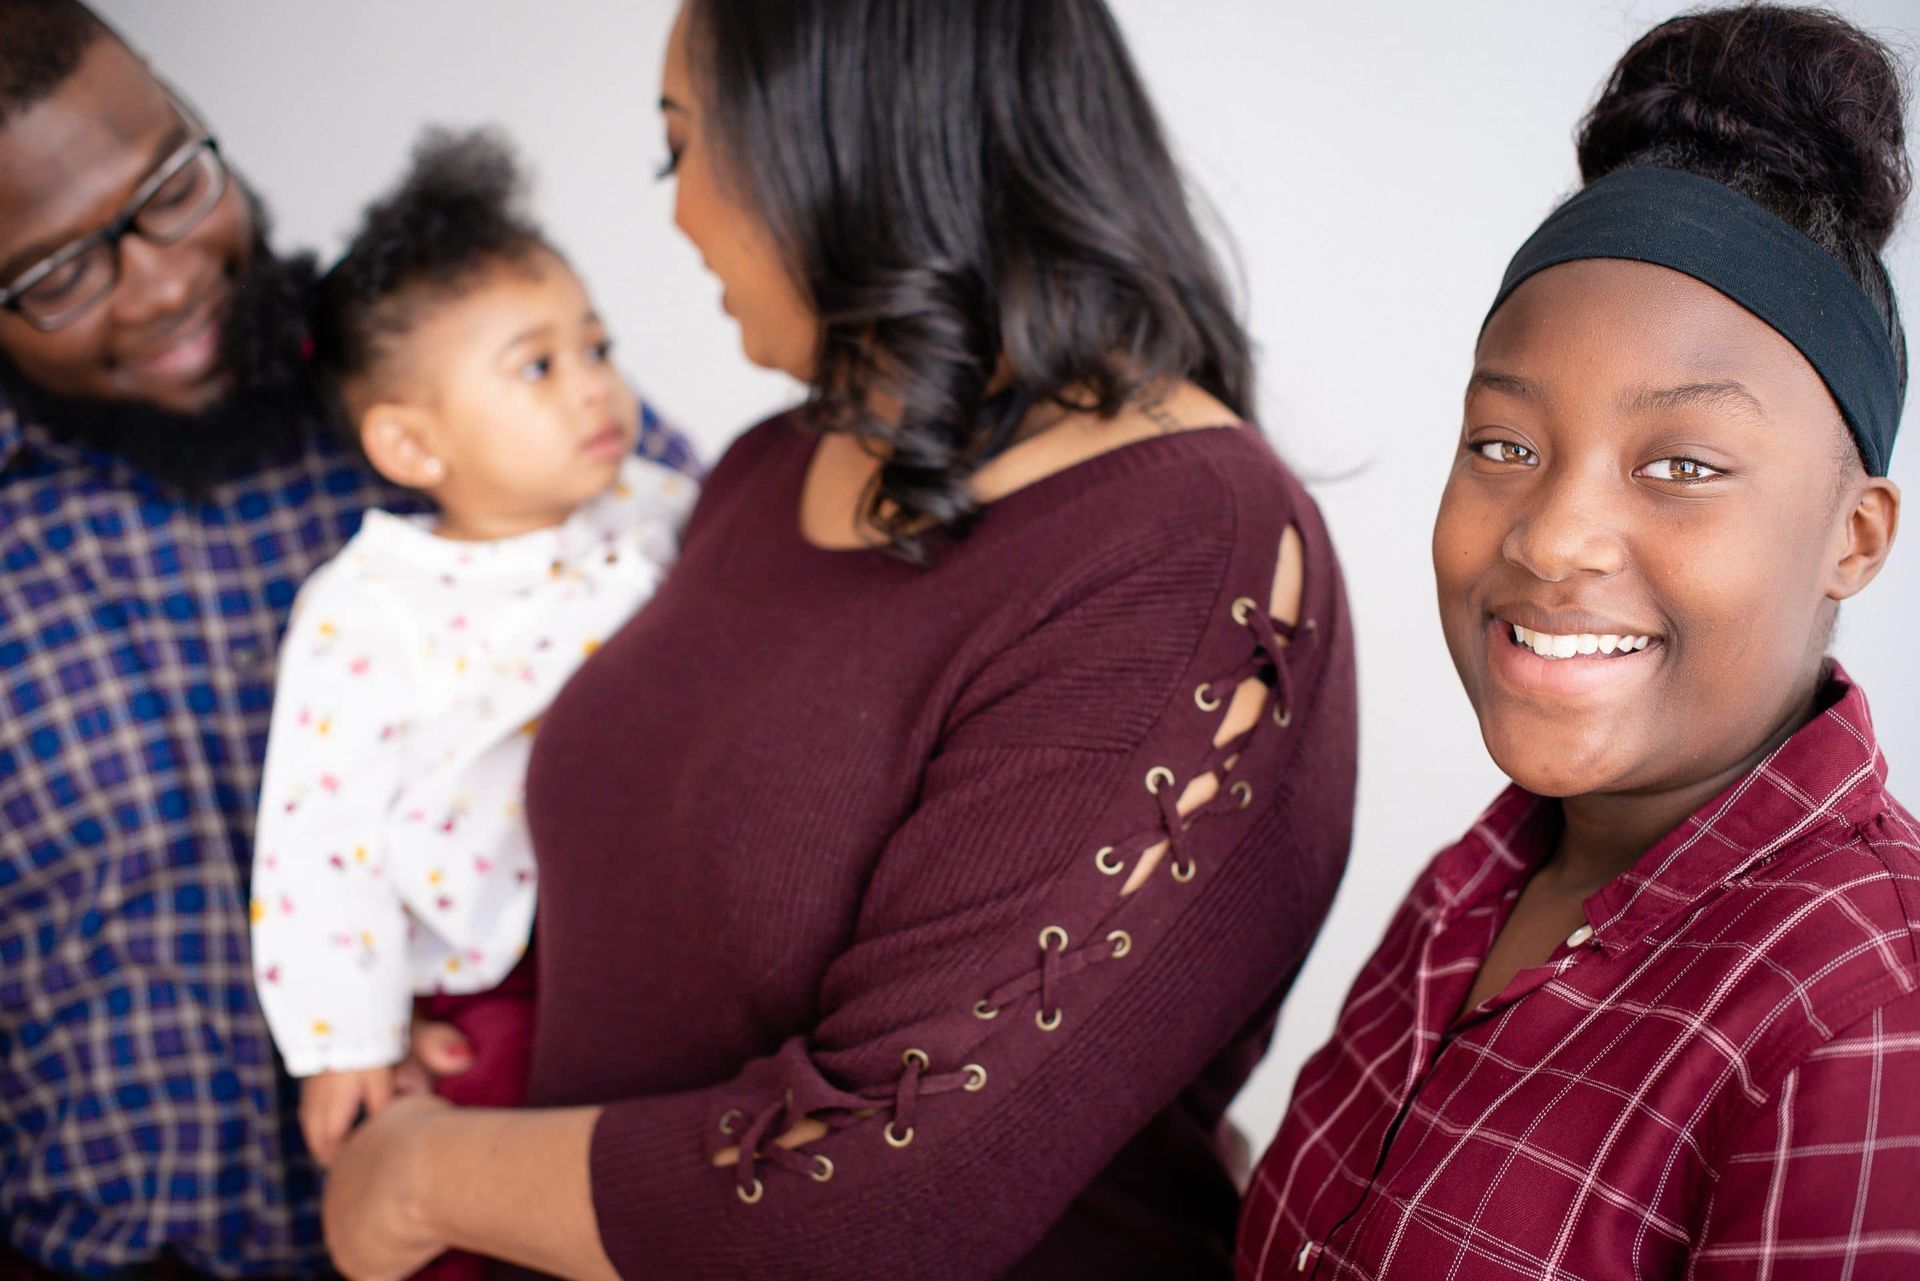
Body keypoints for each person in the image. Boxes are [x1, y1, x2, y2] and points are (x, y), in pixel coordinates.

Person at [319, 1, 1358, 1278]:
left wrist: (428, 1182)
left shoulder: (1192, 553)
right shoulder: (763, 469)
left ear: (846, 140)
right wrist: (487, 1024)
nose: (678, 209)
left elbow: (870, 1199)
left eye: (683, 147)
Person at [0, 4, 694, 1276]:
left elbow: (740, 641)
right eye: (57, 273)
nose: (160, 281)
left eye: (171, 186)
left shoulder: (448, 360)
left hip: (510, 1182)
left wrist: (493, 1005)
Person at [1238, 6, 1915, 1278]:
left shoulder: (1868, 1012)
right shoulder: (1470, 891)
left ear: (1855, 537)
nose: (1553, 539)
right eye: (1505, 445)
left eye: (1681, 464)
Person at [249, 125, 691, 1258]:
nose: (596, 386)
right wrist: (347, 1037)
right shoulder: (373, 603)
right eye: (539, 366)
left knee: (658, 1196)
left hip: (662, 945)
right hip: (496, 972)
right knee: (492, 1223)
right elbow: (321, 838)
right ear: (410, 442)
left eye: (597, 346)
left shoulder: (657, 506)